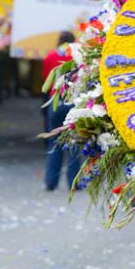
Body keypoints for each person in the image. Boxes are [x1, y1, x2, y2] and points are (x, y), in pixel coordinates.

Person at [42, 32, 80, 191]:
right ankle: (74, 182)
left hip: (55, 103)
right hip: (73, 102)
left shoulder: (50, 57)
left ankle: (51, 181)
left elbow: (46, 79)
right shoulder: (78, 56)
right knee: (74, 143)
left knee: (54, 142)